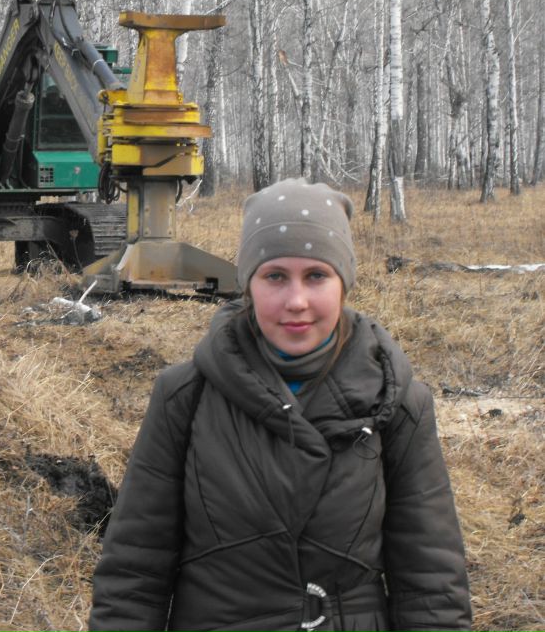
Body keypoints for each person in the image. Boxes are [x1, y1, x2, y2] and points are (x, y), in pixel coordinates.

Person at [89, 178, 472, 632]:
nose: (296, 301)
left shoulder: (396, 401)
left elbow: (430, 580)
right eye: (275, 276)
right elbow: (134, 571)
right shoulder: (185, 395)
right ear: (248, 284)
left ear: (344, 282)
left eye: (316, 276)